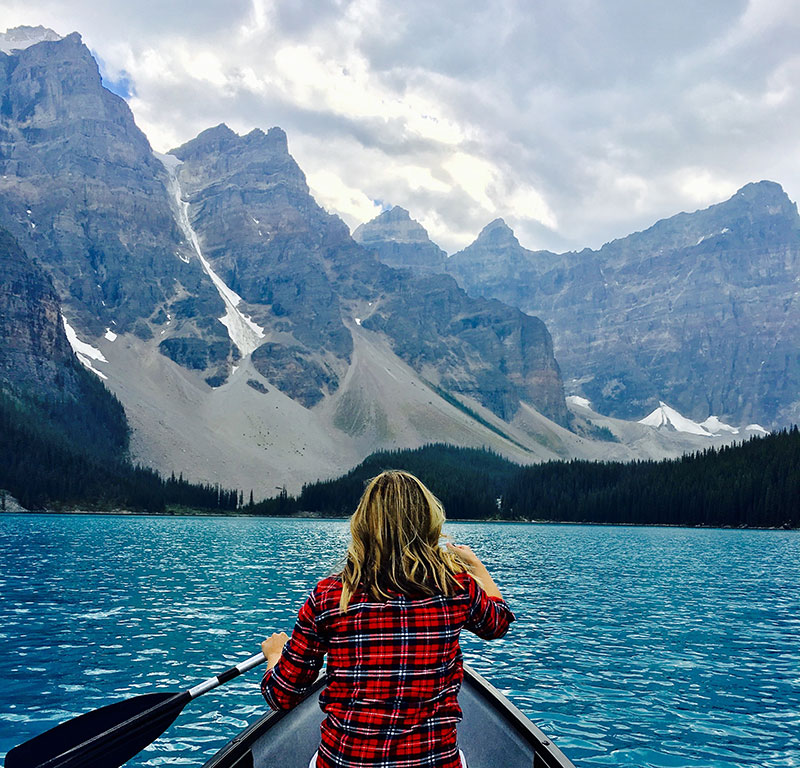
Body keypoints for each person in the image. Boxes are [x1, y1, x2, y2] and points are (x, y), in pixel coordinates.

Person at [261, 469, 515, 768]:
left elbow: (282, 695)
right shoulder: (456, 588)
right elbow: (497, 624)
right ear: (429, 522)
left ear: (362, 525)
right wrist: (476, 567)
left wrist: (275, 655)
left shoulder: (329, 595)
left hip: (345, 761)